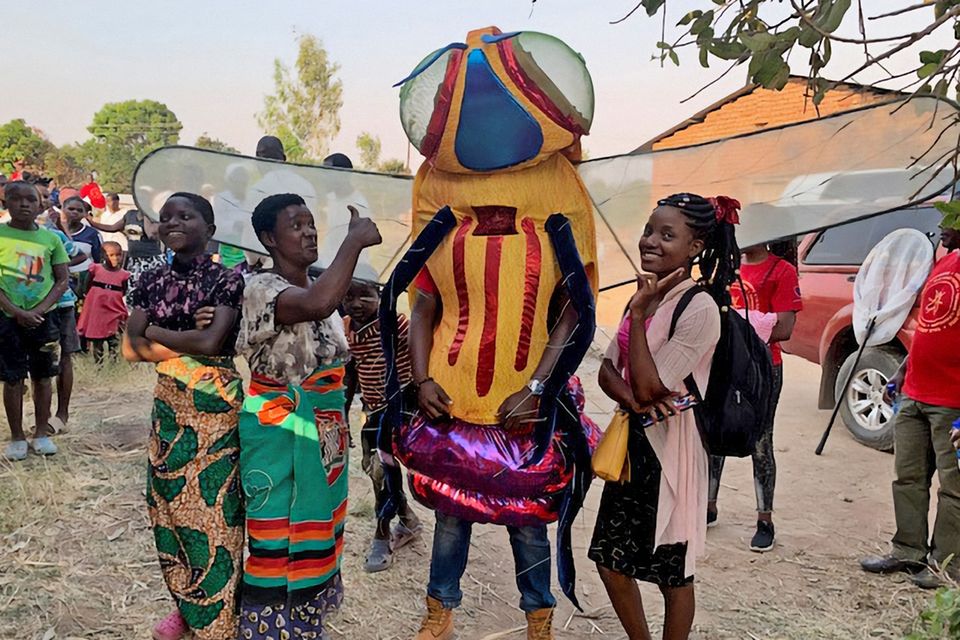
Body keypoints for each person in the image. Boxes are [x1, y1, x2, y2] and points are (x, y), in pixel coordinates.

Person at [589, 193, 740, 640]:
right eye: (649, 230)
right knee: (610, 560)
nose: (650, 241)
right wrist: (635, 401)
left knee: (673, 571)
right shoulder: (643, 295)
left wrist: (638, 318)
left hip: (671, 452)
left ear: (694, 248)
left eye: (667, 235)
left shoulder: (700, 308)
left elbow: (653, 386)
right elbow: (606, 371)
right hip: (633, 445)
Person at [236, 193, 380, 639]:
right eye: (295, 225)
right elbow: (316, 303)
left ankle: (307, 611)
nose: (309, 231)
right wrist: (353, 241)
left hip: (324, 427)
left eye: (311, 223)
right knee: (277, 524)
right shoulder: (263, 287)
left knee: (320, 519)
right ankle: (271, 623)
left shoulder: (324, 285)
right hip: (282, 426)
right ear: (268, 239)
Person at [122, 193, 245, 640]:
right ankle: (187, 606)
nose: (173, 222)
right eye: (166, 216)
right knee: (169, 508)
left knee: (214, 512)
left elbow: (212, 344)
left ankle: (218, 621)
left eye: (186, 215)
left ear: (210, 229)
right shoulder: (149, 278)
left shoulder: (226, 278)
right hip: (169, 406)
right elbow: (127, 349)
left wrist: (152, 330)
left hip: (214, 405)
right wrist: (185, 335)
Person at [861, 215, 960, 589]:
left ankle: (946, 564)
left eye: (952, 218)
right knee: (908, 477)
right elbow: (930, 325)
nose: (942, 226)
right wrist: (903, 371)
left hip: (954, 402)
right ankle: (907, 550)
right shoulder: (946, 261)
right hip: (915, 393)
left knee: (954, 487)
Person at [707, 241, 801, 551]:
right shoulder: (725, 266)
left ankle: (765, 519)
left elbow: (784, 327)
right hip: (724, 363)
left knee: (761, 440)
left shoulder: (782, 270)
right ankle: (708, 505)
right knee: (714, 431)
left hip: (763, 366)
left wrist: (737, 333)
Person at [342, 265, 422, 573]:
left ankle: (382, 533)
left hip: (402, 405)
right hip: (372, 409)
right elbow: (350, 372)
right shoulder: (347, 325)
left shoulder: (397, 324)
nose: (356, 303)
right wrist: (344, 412)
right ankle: (408, 521)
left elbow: (418, 360)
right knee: (376, 470)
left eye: (365, 295)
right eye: (349, 295)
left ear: (381, 294)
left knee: (383, 468)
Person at [0, 181, 70, 460]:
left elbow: (62, 280)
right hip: (7, 318)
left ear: (41, 205)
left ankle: (41, 433)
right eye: (17, 199)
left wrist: (38, 310)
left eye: (31, 200)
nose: (24, 204)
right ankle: (17, 436)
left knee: (43, 377)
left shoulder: (51, 239)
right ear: (5, 203)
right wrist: (16, 311)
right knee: (12, 378)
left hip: (44, 318)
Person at [45, 225, 88, 434]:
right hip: (27, 306)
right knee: (40, 362)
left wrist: (58, 265)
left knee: (64, 357)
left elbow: (79, 256)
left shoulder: (54, 235)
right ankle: (42, 417)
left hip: (62, 304)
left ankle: (62, 414)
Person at [78, 241, 130, 365]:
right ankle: (98, 365)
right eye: (111, 255)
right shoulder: (95, 269)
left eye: (118, 255)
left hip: (113, 309)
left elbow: (123, 290)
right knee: (97, 339)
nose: (115, 258)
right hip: (97, 310)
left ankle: (114, 364)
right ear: (103, 256)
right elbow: (87, 286)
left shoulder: (123, 274)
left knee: (113, 338)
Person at [58, 196, 103, 298]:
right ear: (63, 209)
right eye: (71, 209)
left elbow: (98, 261)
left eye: (79, 210)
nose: (75, 212)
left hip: (84, 284)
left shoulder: (92, 234)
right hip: (57, 282)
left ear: (84, 214)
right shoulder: (53, 231)